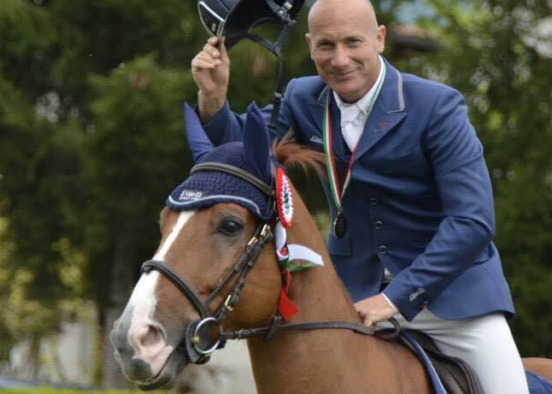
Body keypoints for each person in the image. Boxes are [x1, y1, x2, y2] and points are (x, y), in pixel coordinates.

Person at [190, 0, 529, 392]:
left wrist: (396, 299)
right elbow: (244, 159)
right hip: (349, 295)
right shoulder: (302, 97)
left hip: (451, 300)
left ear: (379, 38)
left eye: (353, 42)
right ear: (309, 44)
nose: (339, 59)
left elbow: (473, 223)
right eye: (326, 45)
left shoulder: (438, 106)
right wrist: (213, 99)